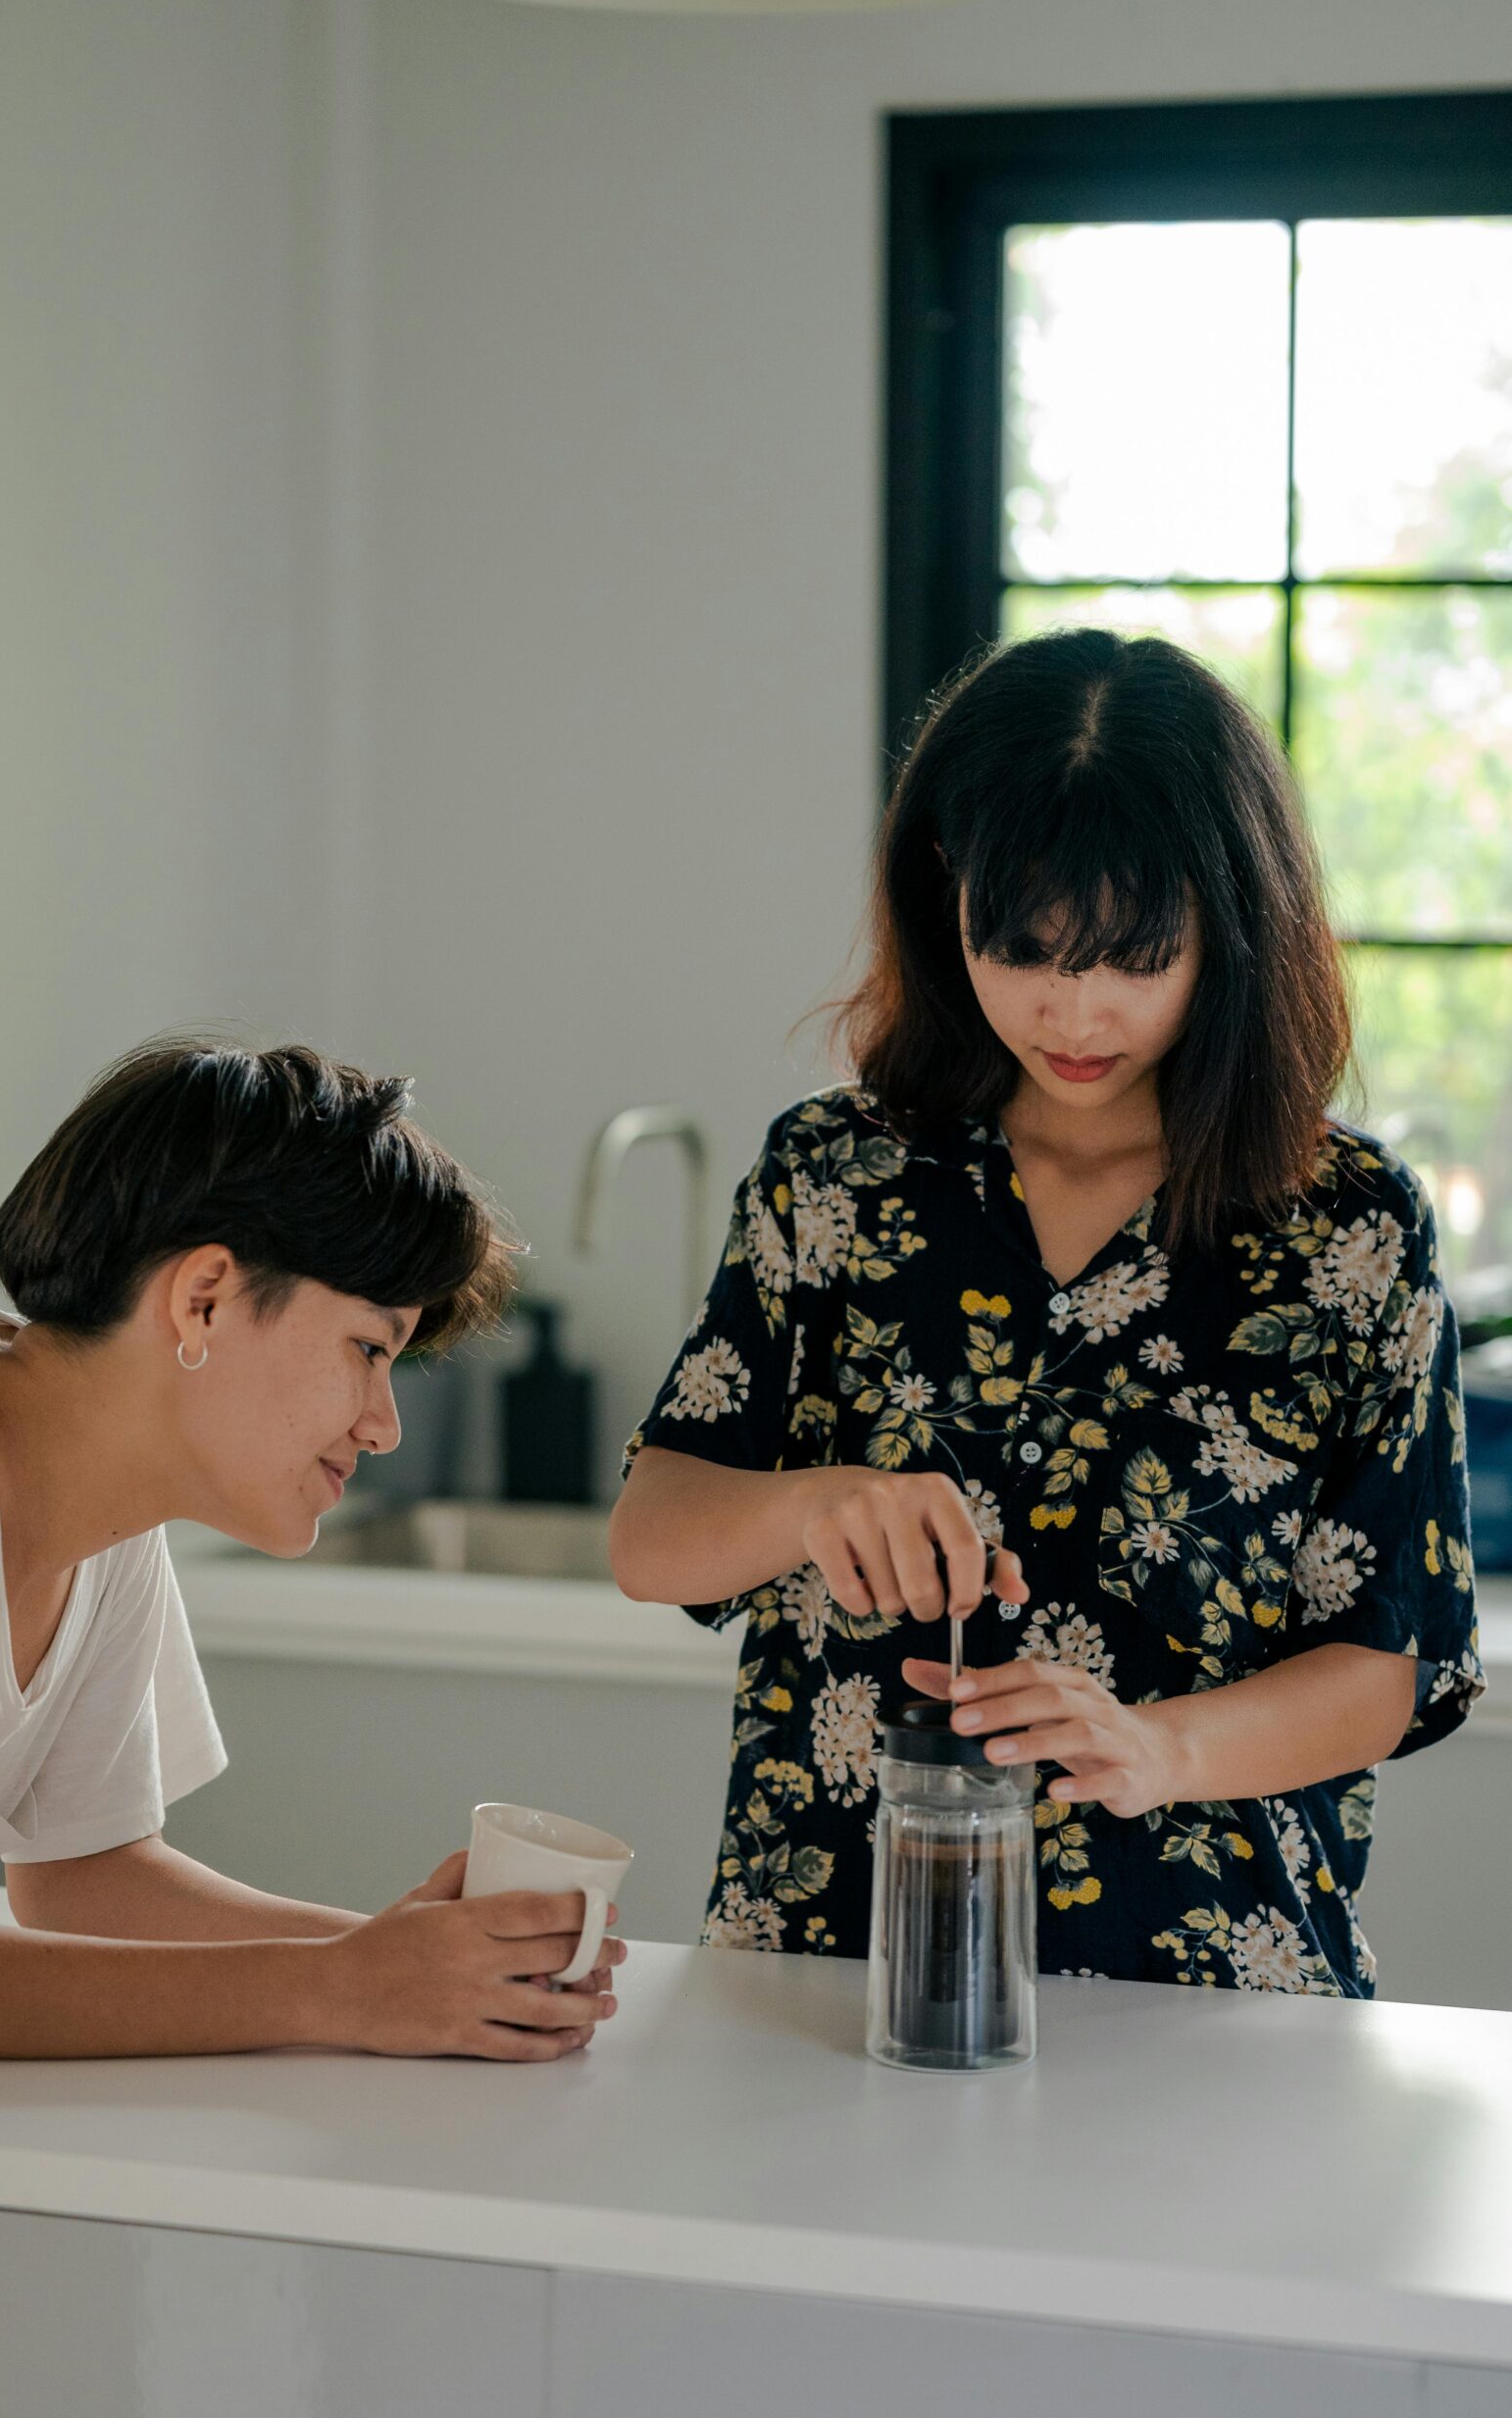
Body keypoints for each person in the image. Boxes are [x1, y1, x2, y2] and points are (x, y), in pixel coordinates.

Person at [613, 627, 1483, 1994]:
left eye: (1136, 955)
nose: (1073, 1010)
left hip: (1200, 1980)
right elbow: (652, 1538)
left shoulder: (1345, 1227)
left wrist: (1160, 1747)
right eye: (1018, 946)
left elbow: (1380, 1663)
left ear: (1230, 924)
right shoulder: (836, 1175)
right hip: (831, 1962)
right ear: (940, 894)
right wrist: (809, 1504)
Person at [0, 1038, 622, 2059]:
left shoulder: (106, 1509)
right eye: (369, 1349)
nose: (383, 1424)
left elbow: (88, 1876)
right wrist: (346, 1987)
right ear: (203, 1295)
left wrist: (420, 1965)